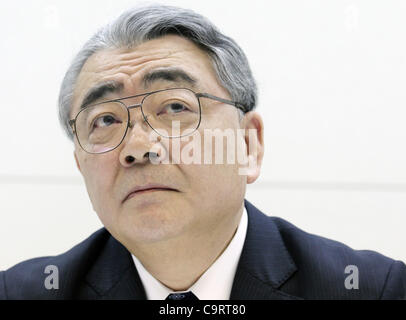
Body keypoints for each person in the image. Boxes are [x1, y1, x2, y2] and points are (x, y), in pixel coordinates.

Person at [0, 4, 405, 300]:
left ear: (248, 145)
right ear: (80, 165)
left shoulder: (373, 289)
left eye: (175, 108)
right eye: (104, 121)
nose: (138, 148)